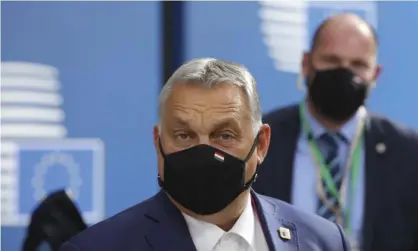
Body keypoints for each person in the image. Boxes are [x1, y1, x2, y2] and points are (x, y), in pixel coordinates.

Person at [59, 58, 350, 251]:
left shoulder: (324, 242)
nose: (204, 152)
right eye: (184, 135)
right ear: (158, 143)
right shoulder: (97, 248)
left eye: (224, 136)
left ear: (261, 144)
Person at [253, 13, 418, 251]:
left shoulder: (408, 153)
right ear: (306, 64)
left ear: (376, 74)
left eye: (358, 65)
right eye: (332, 61)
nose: (344, 73)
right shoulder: (260, 141)